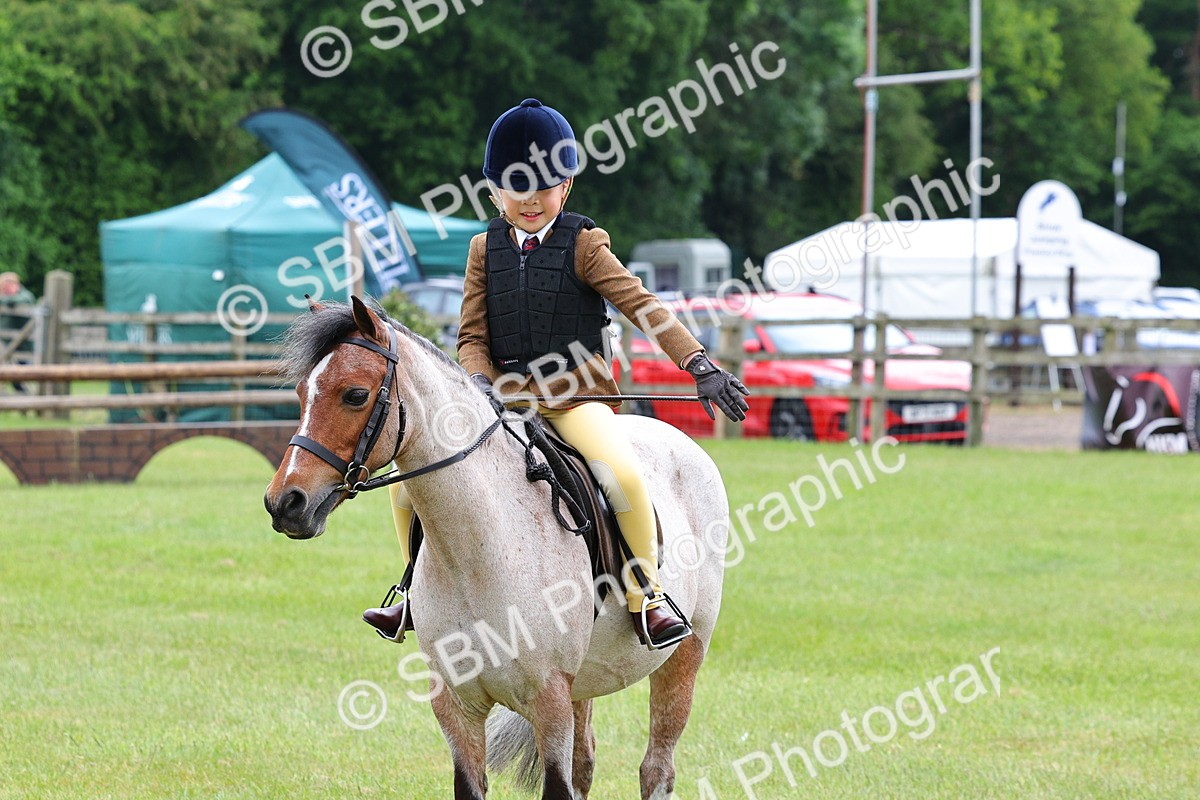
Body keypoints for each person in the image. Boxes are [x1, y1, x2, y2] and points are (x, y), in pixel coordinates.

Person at [363, 98, 749, 649]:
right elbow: (472, 336)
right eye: (516, 188)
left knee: (622, 474)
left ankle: (647, 594)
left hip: (575, 399)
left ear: (565, 187)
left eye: (543, 189)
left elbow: (642, 306)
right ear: (495, 190)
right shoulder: (482, 250)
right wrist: (476, 383)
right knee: (406, 490)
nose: (529, 201)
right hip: (500, 403)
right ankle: (411, 596)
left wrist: (697, 362)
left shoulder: (586, 245)